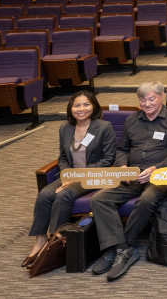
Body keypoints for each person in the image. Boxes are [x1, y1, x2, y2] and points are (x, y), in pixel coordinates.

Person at [90, 81, 167, 280]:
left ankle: (123, 246)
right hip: (132, 177)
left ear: (161, 96)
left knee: (148, 199)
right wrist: (122, 167)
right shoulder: (131, 120)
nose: (147, 104)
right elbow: (122, 149)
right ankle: (121, 248)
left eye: (151, 99)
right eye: (143, 100)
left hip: (160, 176)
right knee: (99, 199)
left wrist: (156, 169)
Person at [24, 92, 115, 268]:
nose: (81, 109)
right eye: (77, 105)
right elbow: (63, 158)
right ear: (70, 108)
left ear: (94, 106)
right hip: (70, 176)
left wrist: (78, 175)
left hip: (94, 176)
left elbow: (108, 159)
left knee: (63, 195)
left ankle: (54, 243)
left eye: (86, 104)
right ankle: (40, 240)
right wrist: (67, 174)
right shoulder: (65, 128)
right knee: (44, 194)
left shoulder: (104, 127)